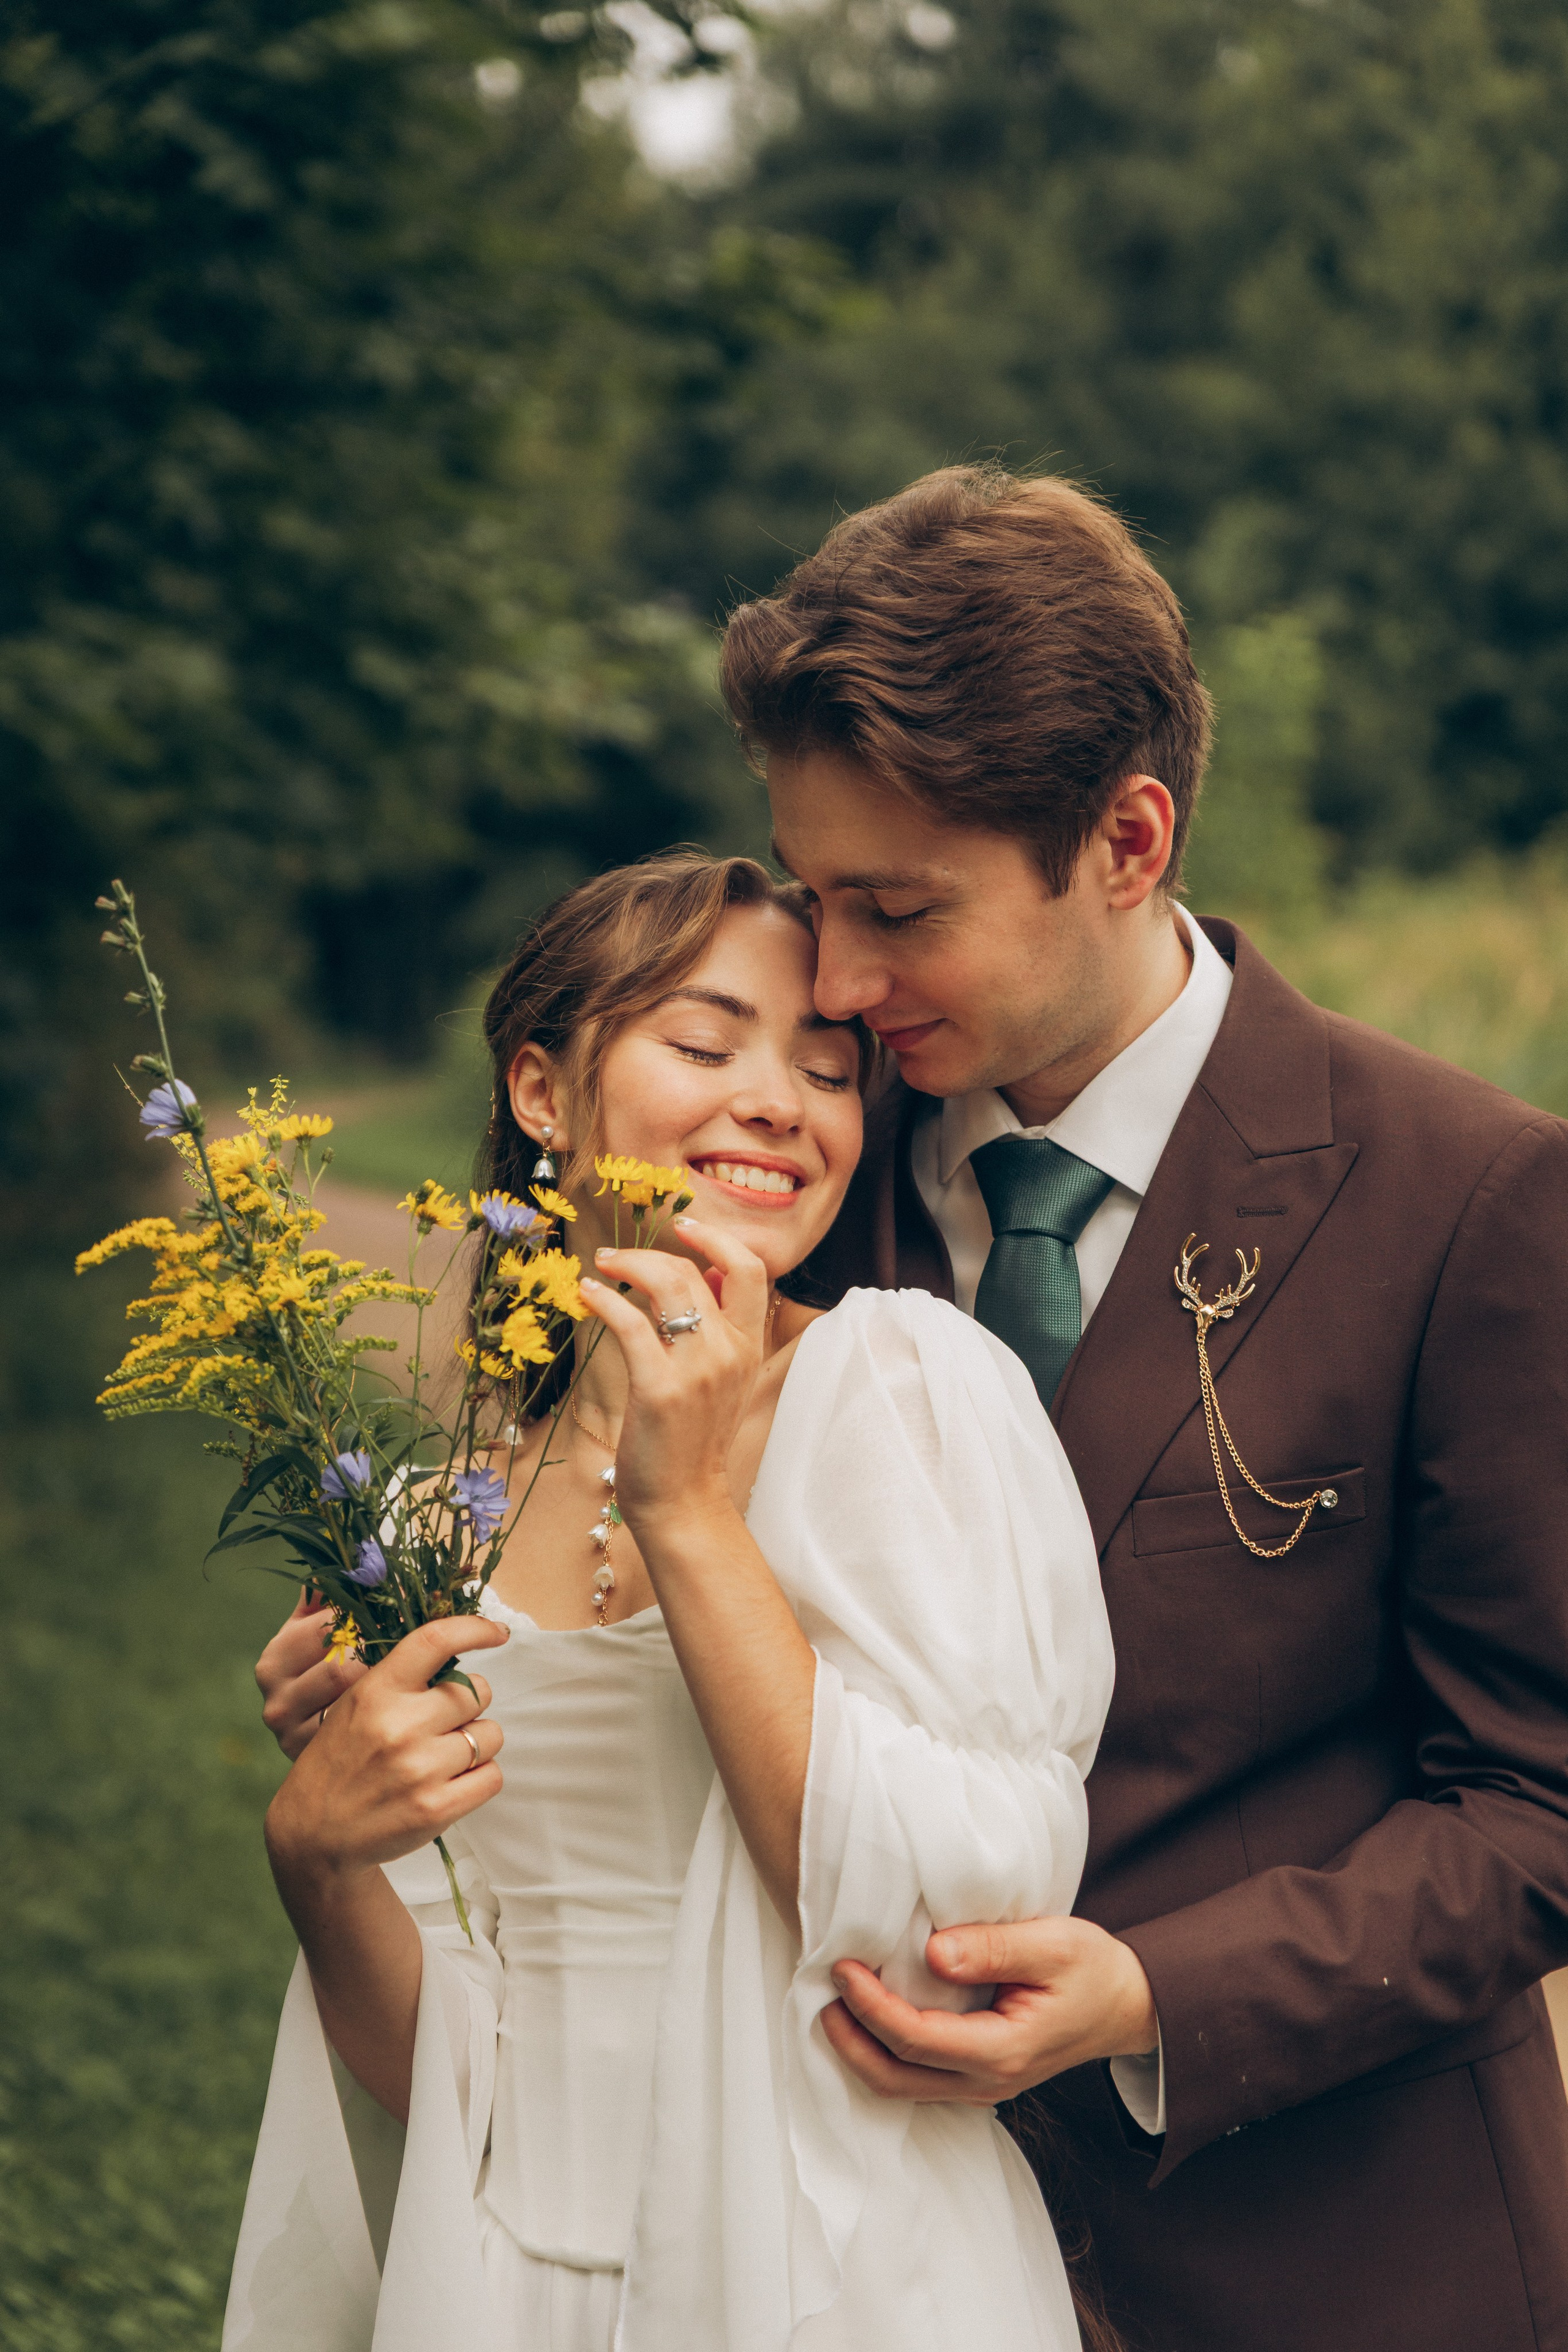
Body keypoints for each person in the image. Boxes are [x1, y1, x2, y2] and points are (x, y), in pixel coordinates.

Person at [717, 461, 1568, 2352]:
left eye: (901, 911)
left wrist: (1153, 1993)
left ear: (1127, 838)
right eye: (813, 897)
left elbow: (1537, 1805)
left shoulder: (1472, 1197)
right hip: (847, 2257)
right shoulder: (796, 1182)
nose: (837, 983)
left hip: (1335, 2263)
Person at [223, 852, 1116, 2352]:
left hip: (830, 2285)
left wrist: (689, 1511)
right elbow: (442, 2080)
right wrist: (319, 1861)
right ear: (541, 1094)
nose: (777, 1101)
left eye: (829, 1071)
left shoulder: (905, 1388)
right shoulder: (437, 1517)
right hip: (502, 2286)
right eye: (703, 1047)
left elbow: (943, 1940)